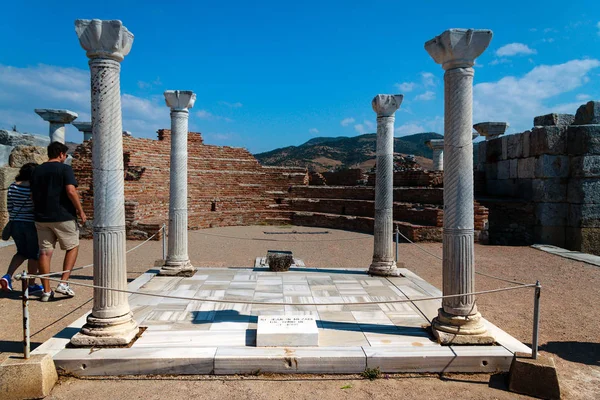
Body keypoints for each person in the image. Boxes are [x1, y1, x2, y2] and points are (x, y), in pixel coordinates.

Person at [31, 141, 87, 301]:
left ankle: (46, 291)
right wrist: (80, 210)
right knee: (72, 246)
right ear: (61, 154)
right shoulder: (65, 168)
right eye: (65, 155)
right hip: (63, 215)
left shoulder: (36, 170)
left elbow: (32, 195)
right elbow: (70, 190)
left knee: (44, 252)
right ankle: (63, 282)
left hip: (41, 217)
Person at [0, 163, 44, 296]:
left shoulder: (13, 186)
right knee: (34, 255)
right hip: (30, 223)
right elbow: (37, 206)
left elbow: (10, 207)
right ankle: (31, 285)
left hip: (15, 223)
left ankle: (7, 276)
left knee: (21, 252)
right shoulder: (34, 188)